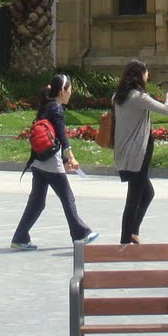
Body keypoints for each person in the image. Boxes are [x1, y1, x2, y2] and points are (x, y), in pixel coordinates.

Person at [10, 73, 98, 251]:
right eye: (70, 89)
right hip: (50, 163)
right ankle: (80, 234)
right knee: (67, 197)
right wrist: (70, 156)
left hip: (38, 160)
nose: (71, 93)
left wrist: (65, 158)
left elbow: (51, 135)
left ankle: (19, 238)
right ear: (63, 91)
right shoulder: (56, 108)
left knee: (37, 202)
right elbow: (61, 136)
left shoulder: (46, 106)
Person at [111, 59, 168, 245]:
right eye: (146, 72)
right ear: (139, 75)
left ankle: (133, 232)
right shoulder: (138, 97)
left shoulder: (118, 96)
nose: (148, 75)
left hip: (125, 152)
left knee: (147, 192)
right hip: (137, 155)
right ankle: (125, 240)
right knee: (134, 197)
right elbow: (166, 110)